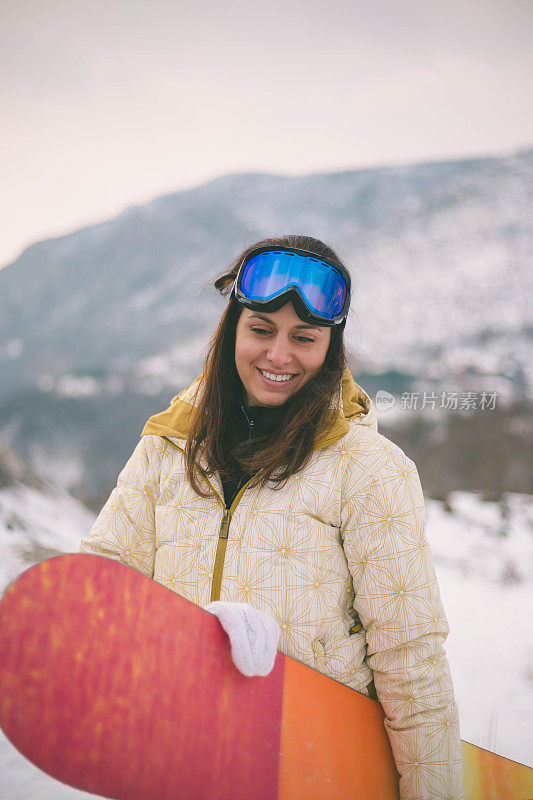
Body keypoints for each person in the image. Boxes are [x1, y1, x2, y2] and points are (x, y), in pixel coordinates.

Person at [80, 234, 463, 800]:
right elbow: (105, 590)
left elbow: (410, 657)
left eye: (304, 339)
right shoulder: (170, 446)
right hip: (176, 761)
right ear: (232, 329)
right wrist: (190, 639)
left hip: (313, 770)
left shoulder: (369, 471)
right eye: (261, 330)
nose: (279, 356)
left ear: (330, 349)